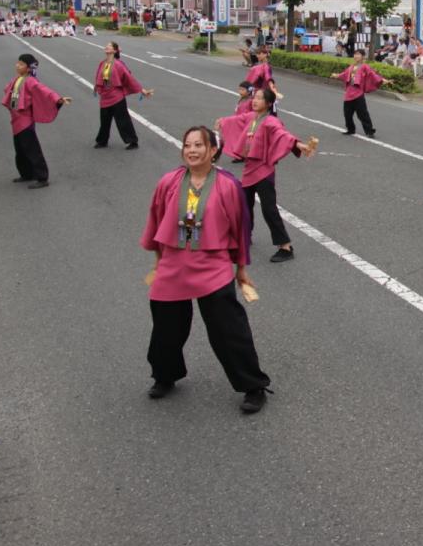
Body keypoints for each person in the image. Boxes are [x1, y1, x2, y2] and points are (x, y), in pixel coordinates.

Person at [141, 126, 272, 414]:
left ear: (213, 150)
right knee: (166, 327)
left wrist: (240, 269)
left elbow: (240, 227)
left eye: (199, 145)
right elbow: (156, 218)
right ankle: (165, 375)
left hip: (213, 264)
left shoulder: (227, 185)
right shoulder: (169, 182)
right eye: (187, 145)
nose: (192, 150)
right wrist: (158, 260)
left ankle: (253, 385)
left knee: (228, 329)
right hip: (174, 262)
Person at [216, 87, 316, 262]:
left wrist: (298, 144)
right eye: (254, 97)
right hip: (249, 169)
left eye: (260, 98)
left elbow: (282, 135)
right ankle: (245, 236)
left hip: (263, 170)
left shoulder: (271, 121)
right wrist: (222, 121)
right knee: (244, 205)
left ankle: (285, 247)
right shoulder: (252, 117)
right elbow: (237, 120)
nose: (255, 100)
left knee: (269, 209)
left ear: (269, 103)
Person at [2, 53, 71, 189]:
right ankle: (27, 174)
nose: (17, 65)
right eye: (18, 63)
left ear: (28, 68)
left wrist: (58, 99)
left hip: (25, 121)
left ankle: (42, 177)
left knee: (32, 150)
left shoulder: (31, 81)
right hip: (16, 119)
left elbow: (45, 91)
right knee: (20, 150)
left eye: (21, 64)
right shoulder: (18, 79)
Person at [93, 42, 153, 150]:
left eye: (109, 46)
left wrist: (142, 90)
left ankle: (132, 141)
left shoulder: (118, 64)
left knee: (123, 120)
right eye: (106, 45)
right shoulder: (103, 63)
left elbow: (129, 78)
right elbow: (99, 78)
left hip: (117, 97)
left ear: (114, 51)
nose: (107, 47)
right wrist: (98, 88)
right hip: (105, 97)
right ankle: (102, 141)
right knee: (104, 121)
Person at [332, 49, 383, 137]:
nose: (356, 56)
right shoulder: (351, 67)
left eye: (358, 54)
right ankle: (350, 130)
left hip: (358, 94)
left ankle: (369, 131)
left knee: (363, 114)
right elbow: (344, 74)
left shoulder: (365, 66)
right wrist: (336, 75)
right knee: (347, 114)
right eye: (355, 54)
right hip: (349, 94)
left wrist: (382, 80)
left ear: (363, 56)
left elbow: (372, 74)